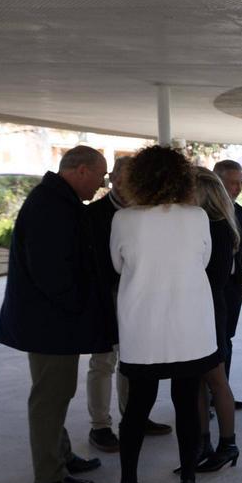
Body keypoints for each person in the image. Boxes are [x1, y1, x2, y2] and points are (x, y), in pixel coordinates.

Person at [110, 145, 220, 483]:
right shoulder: (196, 217)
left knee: (137, 407)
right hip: (189, 326)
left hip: (143, 327)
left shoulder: (124, 219)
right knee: (188, 403)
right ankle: (188, 482)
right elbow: (203, 260)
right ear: (181, 176)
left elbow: (117, 263)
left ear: (135, 179)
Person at [0, 145, 109, 483]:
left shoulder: (56, 200)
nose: (102, 184)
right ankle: (49, 475)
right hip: (50, 322)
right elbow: (51, 271)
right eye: (100, 175)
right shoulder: (50, 205)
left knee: (56, 393)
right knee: (50, 396)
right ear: (80, 171)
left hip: (51, 320)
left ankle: (59, 454)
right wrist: (78, 305)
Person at [85, 156, 171, 453]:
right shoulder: (94, 214)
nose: (131, 184)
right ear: (114, 179)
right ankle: (100, 426)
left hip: (138, 298)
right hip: (104, 298)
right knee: (103, 362)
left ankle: (134, 417)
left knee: (132, 361)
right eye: (126, 177)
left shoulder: (146, 214)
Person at [192, 167, 240, 472]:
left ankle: (227, 443)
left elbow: (216, 277)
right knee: (197, 379)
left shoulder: (218, 227)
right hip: (200, 309)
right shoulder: (209, 225)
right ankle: (203, 443)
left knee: (216, 379)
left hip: (208, 311)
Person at [213, 159, 242, 410]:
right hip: (209, 289)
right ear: (218, 183)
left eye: (241, 183)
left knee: (227, 340)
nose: (238, 188)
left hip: (233, 287)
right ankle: (205, 398)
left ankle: (221, 395)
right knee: (210, 343)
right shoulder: (205, 213)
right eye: (233, 183)